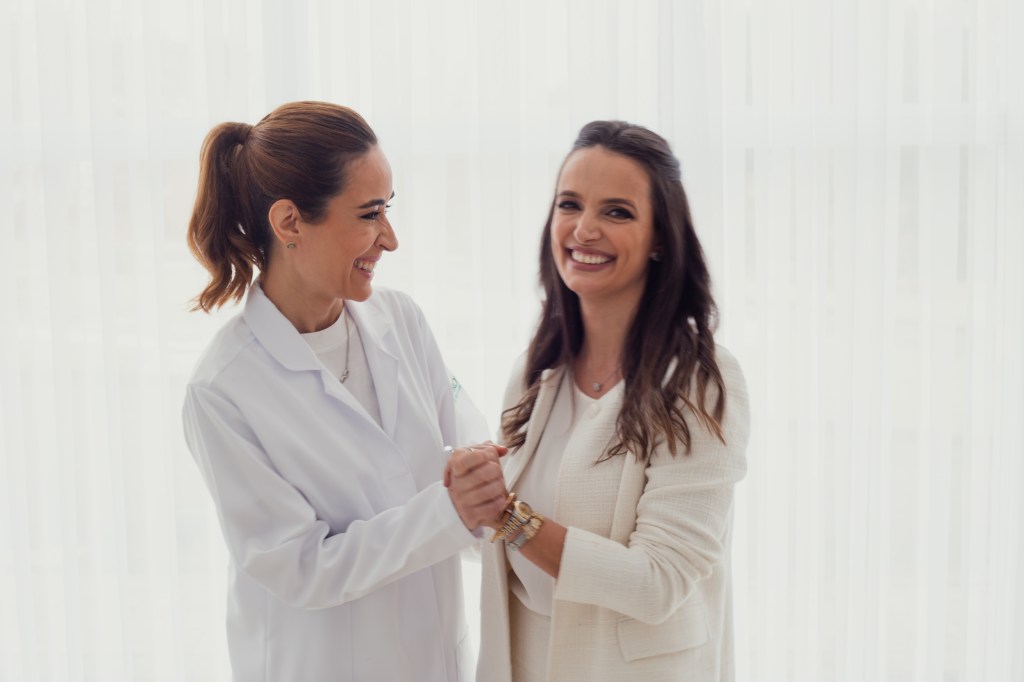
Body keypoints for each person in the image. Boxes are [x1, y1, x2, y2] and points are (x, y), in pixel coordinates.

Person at [181, 101, 508, 681]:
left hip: (433, 659)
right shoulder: (223, 390)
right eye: (369, 214)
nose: (390, 238)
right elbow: (302, 567)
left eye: (389, 209)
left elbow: (467, 452)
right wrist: (450, 509)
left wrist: (480, 483)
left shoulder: (401, 321)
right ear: (289, 224)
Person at [470, 121, 750, 681]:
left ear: (661, 239)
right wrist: (474, 493)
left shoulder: (700, 380)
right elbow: (507, 555)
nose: (584, 229)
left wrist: (505, 515)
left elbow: (659, 581)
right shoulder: (536, 370)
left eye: (617, 212)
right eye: (569, 204)